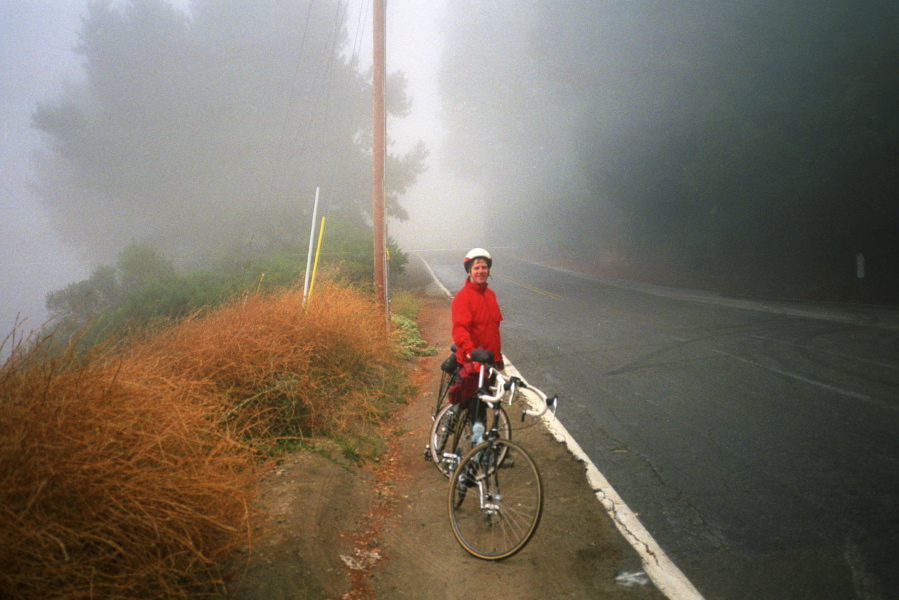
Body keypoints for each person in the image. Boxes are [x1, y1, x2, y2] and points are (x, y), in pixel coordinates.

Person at [448, 248, 504, 415]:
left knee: (485, 409)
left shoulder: (491, 295)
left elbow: (494, 329)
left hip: (489, 361)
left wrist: (496, 358)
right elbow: (459, 329)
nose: (481, 271)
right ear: (469, 271)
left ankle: (481, 440)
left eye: (484, 267)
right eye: (476, 267)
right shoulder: (462, 296)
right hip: (472, 363)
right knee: (474, 410)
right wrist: (472, 352)